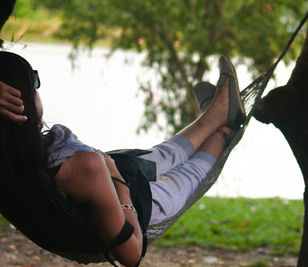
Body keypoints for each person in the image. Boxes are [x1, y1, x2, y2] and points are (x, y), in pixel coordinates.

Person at [0, 51, 245, 267]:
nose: (37, 85)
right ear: (21, 100)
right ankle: (226, 129)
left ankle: (215, 113)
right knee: (186, 175)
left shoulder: (11, 163)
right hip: (138, 209)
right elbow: (131, 255)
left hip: (116, 174)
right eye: (33, 80)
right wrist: (116, 177)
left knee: (165, 154)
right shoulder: (82, 167)